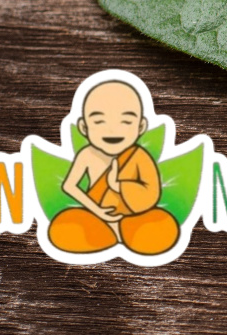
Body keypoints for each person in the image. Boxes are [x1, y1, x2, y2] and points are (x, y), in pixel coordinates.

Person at [48, 80, 178, 255]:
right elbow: (69, 186)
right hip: (96, 217)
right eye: (99, 121)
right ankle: (110, 235)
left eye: (126, 122)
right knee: (61, 228)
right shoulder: (87, 155)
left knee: (165, 226)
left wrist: (118, 186)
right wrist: (98, 211)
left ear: (141, 127)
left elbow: (151, 191)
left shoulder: (138, 156)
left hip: (134, 217)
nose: (112, 130)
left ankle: (121, 234)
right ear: (84, 127)